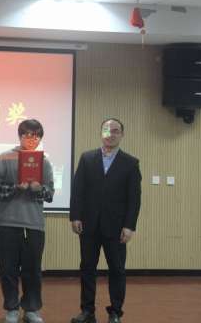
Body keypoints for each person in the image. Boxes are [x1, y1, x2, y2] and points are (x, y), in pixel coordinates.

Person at [69, 118, 141, 323]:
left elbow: (134, 198)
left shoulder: (130, 163)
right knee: (87, 268)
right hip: (89, 224)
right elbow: (78, 190)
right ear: (101, 133)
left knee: (117, 270)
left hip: (117, 227)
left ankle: (115, 312)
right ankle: (87, 311)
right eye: (107, 130)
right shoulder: (87, 158)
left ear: (122, 135)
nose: (111, 134)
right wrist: (75, 216)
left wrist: (129, 226)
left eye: (115, 131)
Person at [0, 119, 55, 323]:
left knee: (33, 270)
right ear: (20, 136)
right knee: (8, 269)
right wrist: (15, 188)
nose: (31, 139)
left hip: (34, 224)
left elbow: (50, 193)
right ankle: (11, 308)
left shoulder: (44, 161)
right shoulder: (5, 157)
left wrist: (39, 189)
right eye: (27, 135)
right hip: (7, 222)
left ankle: (31, 309)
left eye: (36, 136)